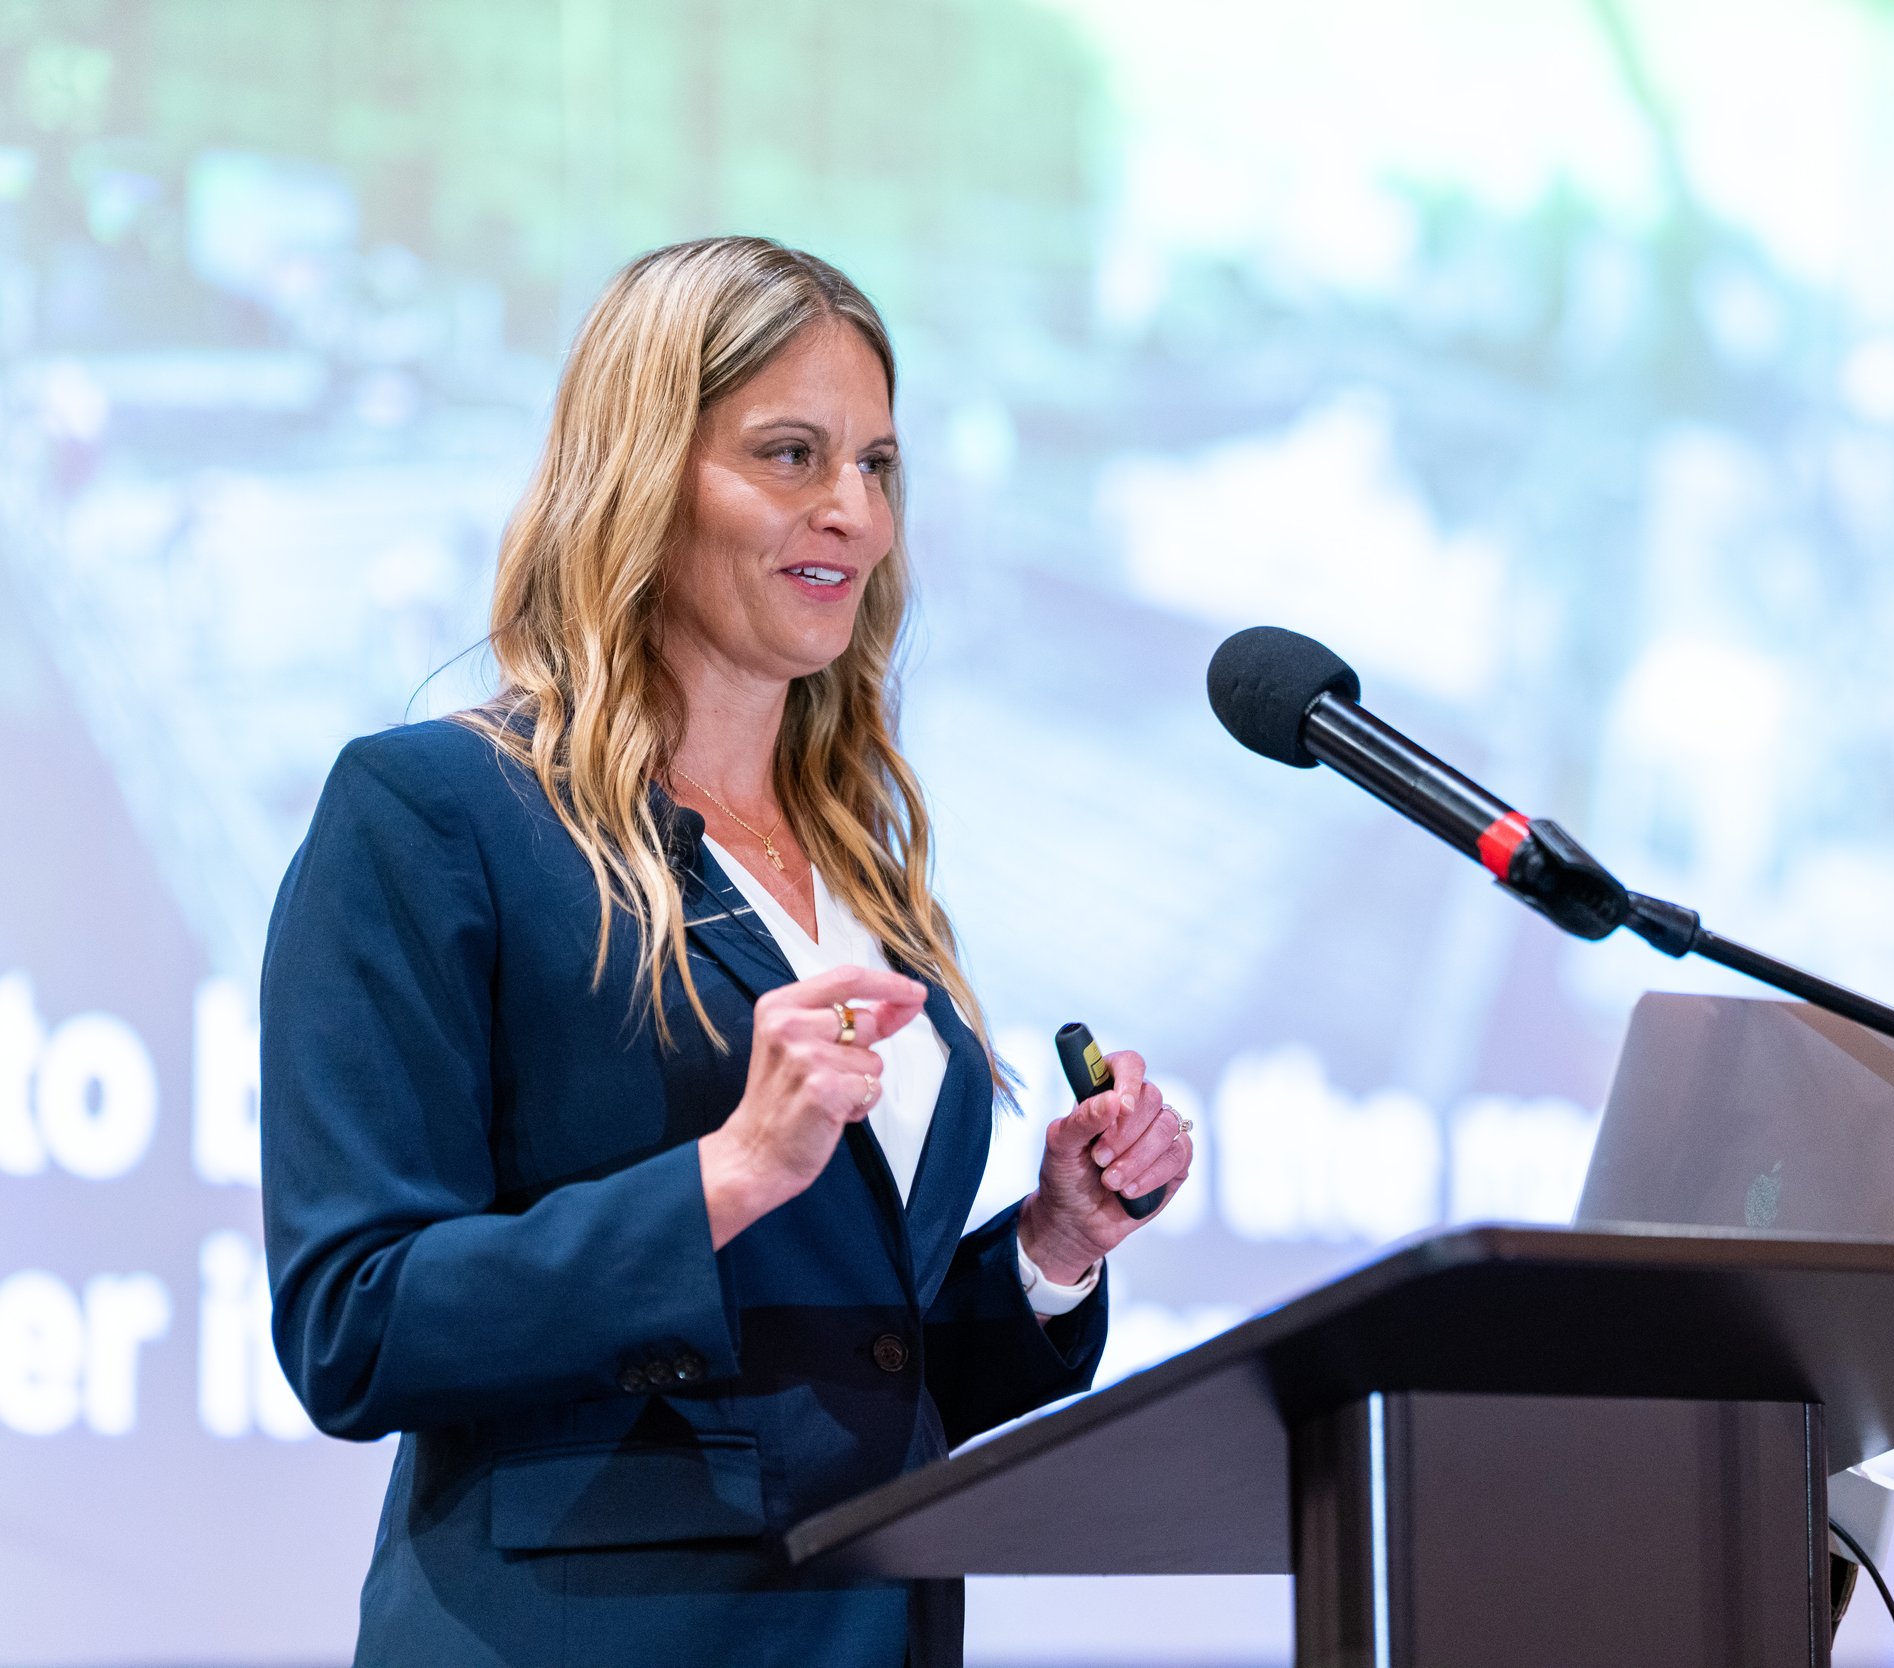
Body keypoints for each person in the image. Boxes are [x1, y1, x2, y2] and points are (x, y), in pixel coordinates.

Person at [259, 236, 1194, 1668]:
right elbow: (354, 1324)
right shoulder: (439, 813)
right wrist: (729, 1172)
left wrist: (1052, 1248)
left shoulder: (859, 861)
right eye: (791, 455)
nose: (853, 513)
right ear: (644, 475)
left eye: (877, 466)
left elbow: (864, 1372)